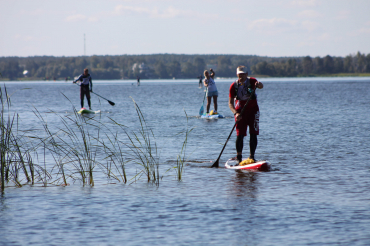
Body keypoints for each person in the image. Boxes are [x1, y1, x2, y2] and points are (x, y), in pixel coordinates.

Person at [228, 66, 263, 165]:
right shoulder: (233, 86)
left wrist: (259, 85)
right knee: (240, 135)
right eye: (239, 74)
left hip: (253, 111)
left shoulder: (252, 81)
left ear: (247, 74)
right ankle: (239, 158)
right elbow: (230, 103)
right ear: (237, 74)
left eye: (243, 74)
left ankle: (252, 157)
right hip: (240, 113)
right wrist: (235, 113)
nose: (241, 76)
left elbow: (260, 86)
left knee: (253, 134)